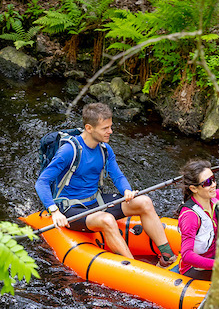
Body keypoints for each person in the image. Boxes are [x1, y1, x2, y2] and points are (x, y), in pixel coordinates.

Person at [35, 102, 176, 266]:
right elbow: (42, 182)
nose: (111, 131)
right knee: (107, 219)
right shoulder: (69, 151)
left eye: (110, 126)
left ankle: (167, 257)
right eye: (105, 128)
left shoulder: (105, 149)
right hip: (70, 209)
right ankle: (135, 268)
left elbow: (118, 176)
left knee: (144, 202)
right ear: (89, 128)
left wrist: (127, 190)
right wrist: (54, 211)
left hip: (95, 201)